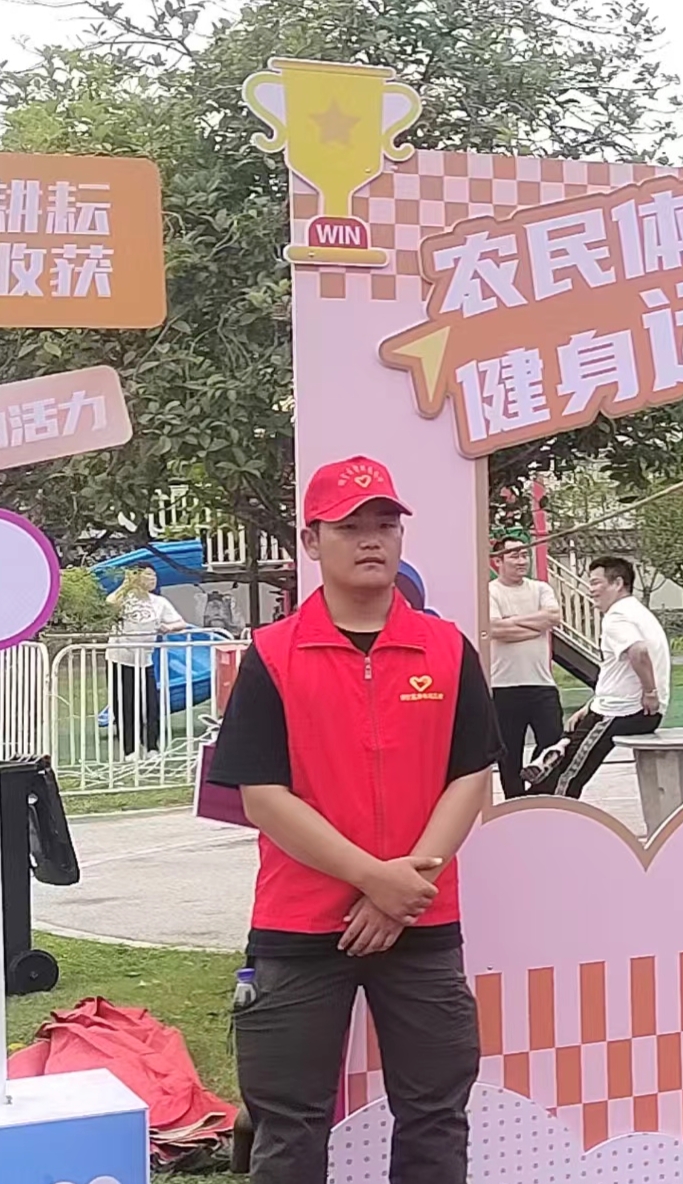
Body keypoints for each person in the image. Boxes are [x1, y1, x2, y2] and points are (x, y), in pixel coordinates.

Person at [207, 456, 501, 1184]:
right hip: (302, 924)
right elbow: (263, 796)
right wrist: (374, 879)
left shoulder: (446, 649)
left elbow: (470, 775)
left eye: (385, 524)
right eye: (349, 526)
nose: (371, 539)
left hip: (421, 921)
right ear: (312, 541)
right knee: (289, 1124)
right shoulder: (273, 655)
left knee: (436, 1114)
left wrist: (402, 892)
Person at [525, 556, 670, 800]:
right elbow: (618, 673)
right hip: (613, 707)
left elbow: (639, 652)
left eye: (595, 583)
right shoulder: (637, 612)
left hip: (624, 711)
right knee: (570, 738)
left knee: (568, 774)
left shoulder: (617, 617)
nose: (590, 590)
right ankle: (555, 754)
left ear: (618, 583)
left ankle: (548, 809)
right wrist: (590, 706)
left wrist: (650, 692)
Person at [486, 536, 563, 800]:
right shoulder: (490, 592)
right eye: (514, 555)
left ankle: (538, 796)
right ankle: (514, 804)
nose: (522, 561)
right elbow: (495, 628)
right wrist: (536, 627)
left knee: (553, 744)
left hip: (542, 684)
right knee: (509, 754)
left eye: (524, 555)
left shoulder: (541, 589)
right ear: (498, 561)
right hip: (504, 686)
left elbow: (553, 617)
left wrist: (513, 622)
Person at [106, 564, 188, 759]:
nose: (153, 579)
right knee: (124, 704)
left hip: (145, 659)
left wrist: (168, 628)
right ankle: (130, 749)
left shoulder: (159, 602)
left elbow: (181, 623)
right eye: (148, 575)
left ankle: (152, 746)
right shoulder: (124, 598)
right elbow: (109, 604)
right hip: (120, 658)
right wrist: (126, 584)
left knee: (151, 704)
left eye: (154, 575)